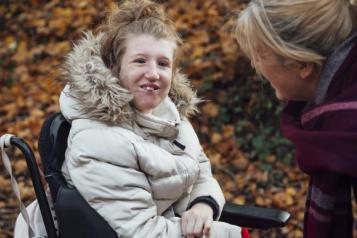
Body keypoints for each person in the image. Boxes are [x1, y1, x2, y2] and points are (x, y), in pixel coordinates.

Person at [14, 0, 245, 237]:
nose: (153, 73)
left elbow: (201, 176)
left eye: (163, 63)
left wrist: (203, 205)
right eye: (140, 61)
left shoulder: (172, 119)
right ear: (114, 67)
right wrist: (228, 234)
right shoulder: (97, 140)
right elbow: (142, 232)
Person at [234, 0, 357, 237]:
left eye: (260, 54)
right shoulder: (337, 122)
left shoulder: (348, 131)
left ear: (301, 65)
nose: (254, 63)